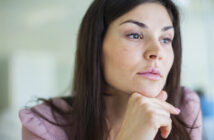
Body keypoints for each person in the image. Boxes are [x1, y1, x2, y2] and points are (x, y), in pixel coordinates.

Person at [19, 0, 202, 140]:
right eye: (135, 35)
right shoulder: (43, 125)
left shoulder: (185, 106)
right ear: (97, 46)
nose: (157, 52)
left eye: (165, 39)